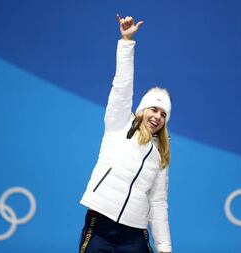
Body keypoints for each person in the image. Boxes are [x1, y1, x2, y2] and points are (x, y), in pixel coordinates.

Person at [79, 14, 172, 253]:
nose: (157, 117)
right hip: (100, 225)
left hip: (134, 235)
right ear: (142, 110)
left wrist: (163, 247)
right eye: (154, 109)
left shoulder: (160, 152)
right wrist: (126, 42)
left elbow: (158, 202)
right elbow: (122, 85)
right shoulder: (118, 123)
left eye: (163, 114)